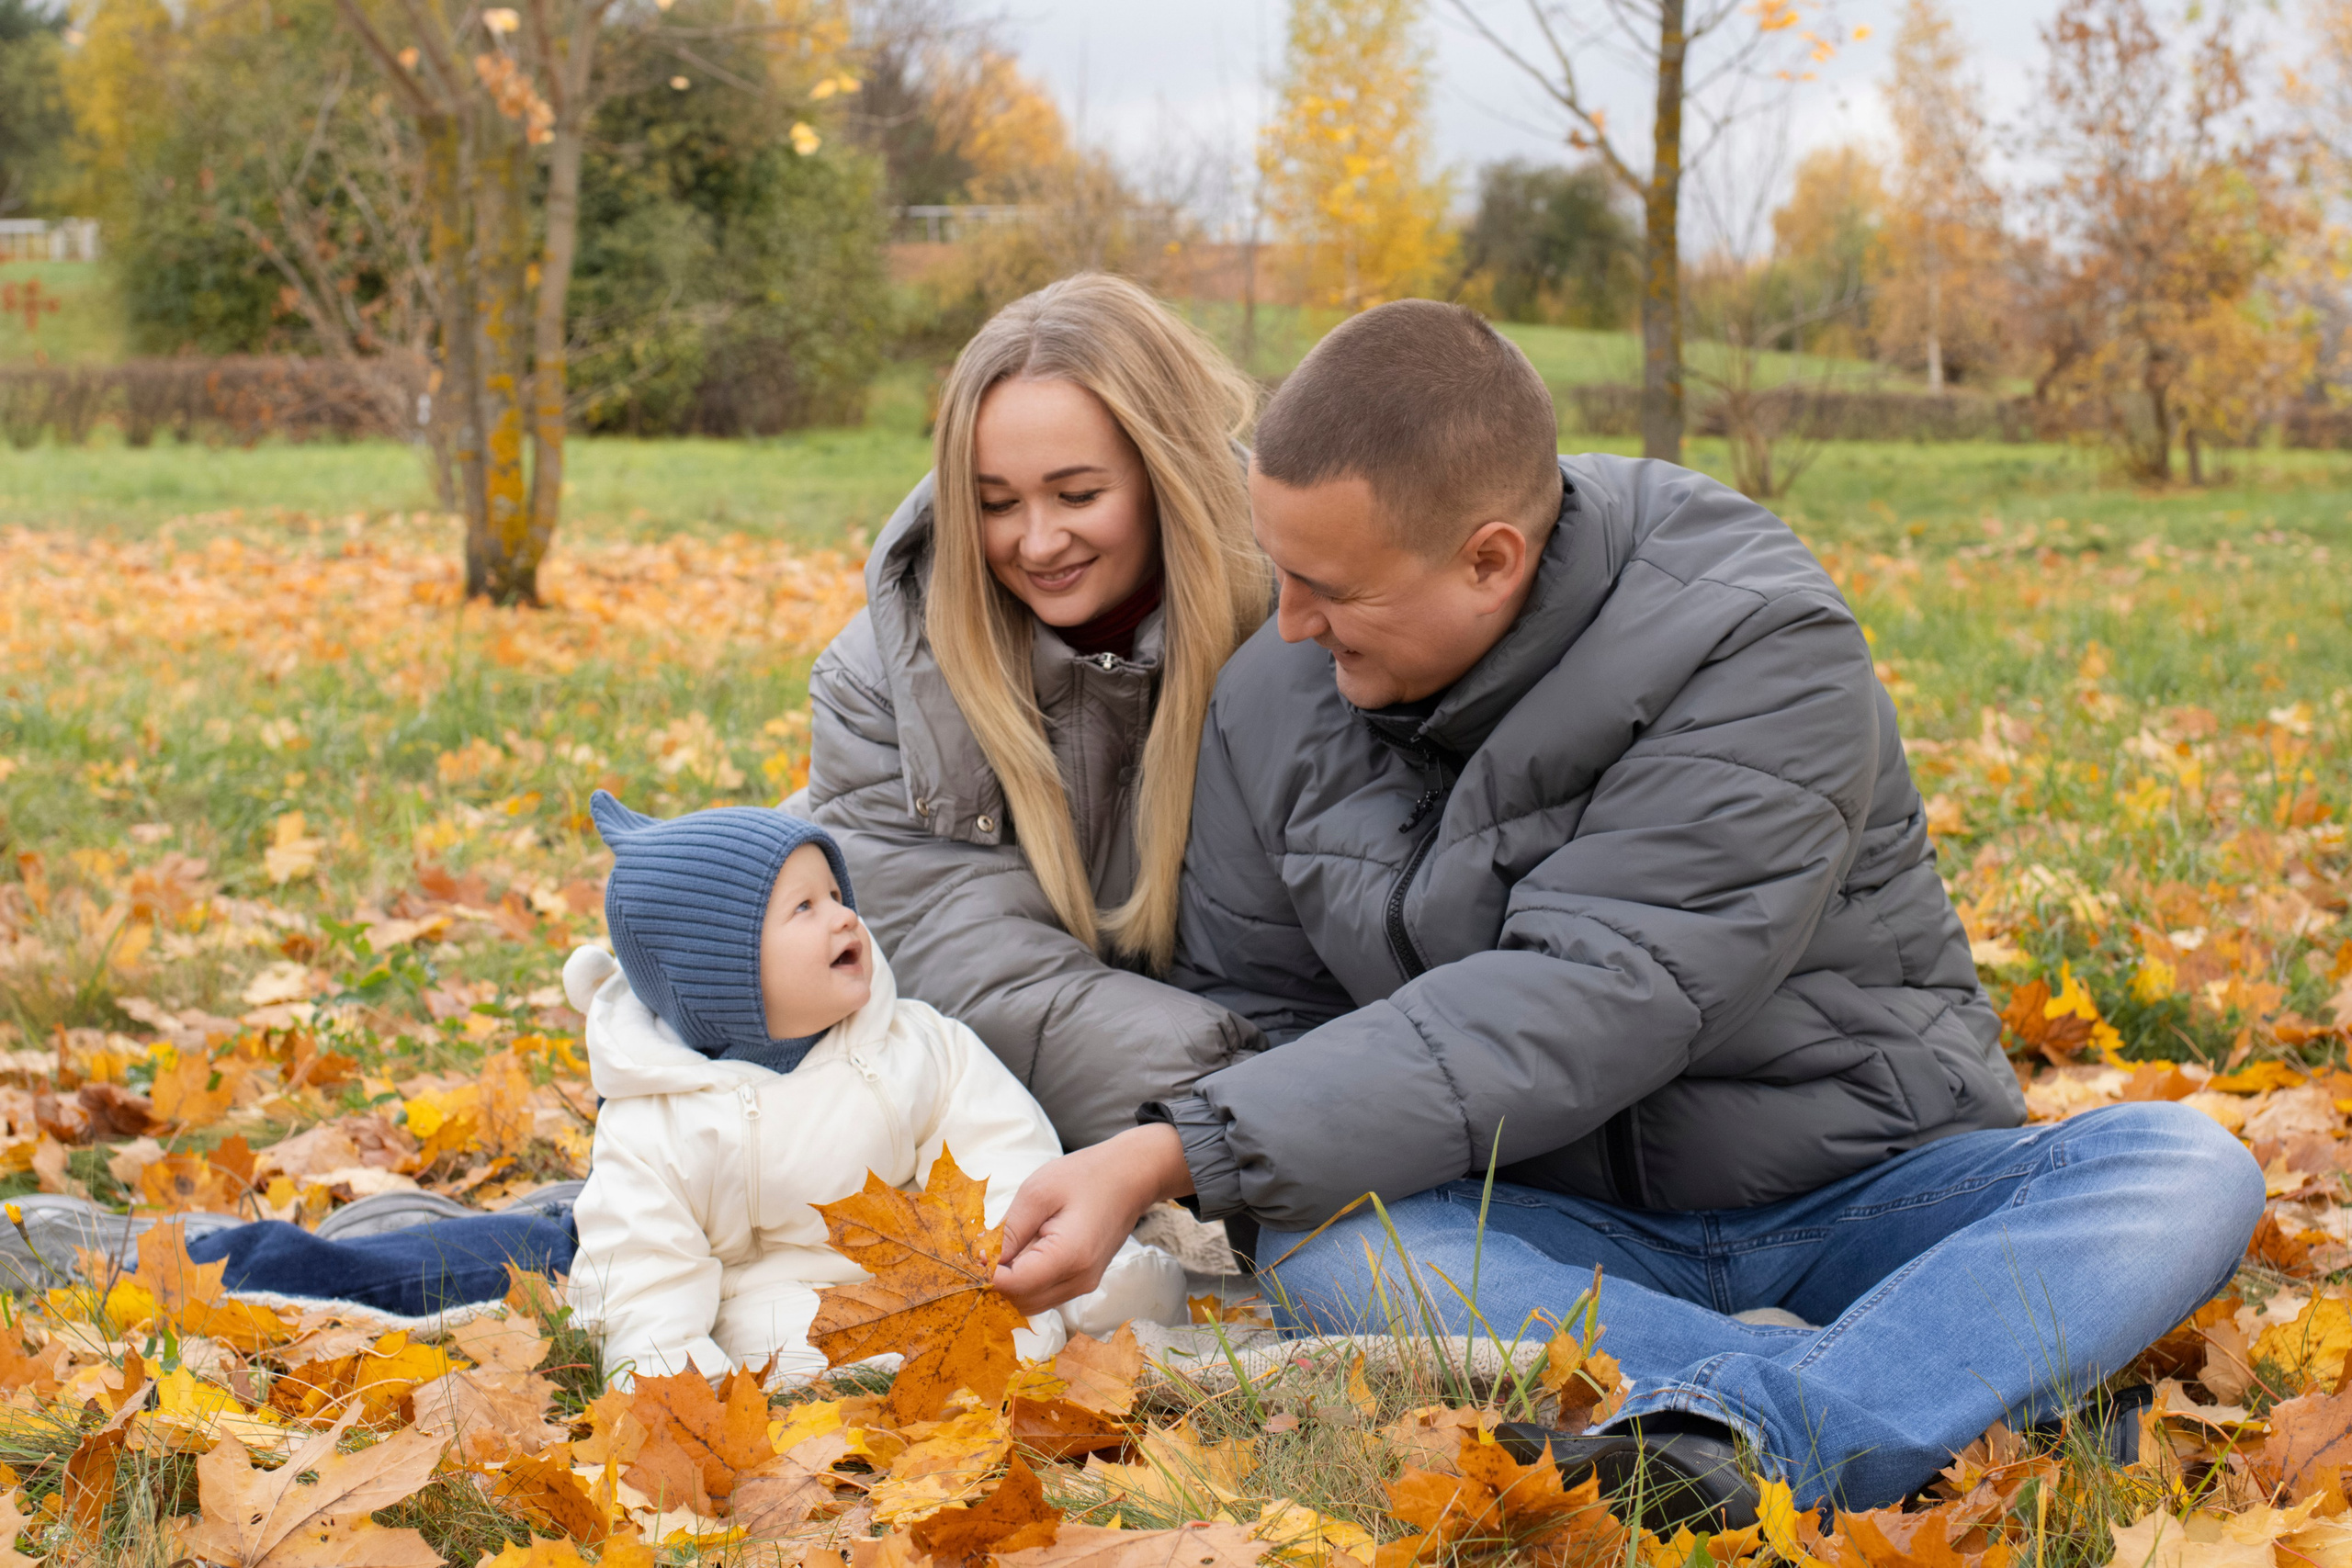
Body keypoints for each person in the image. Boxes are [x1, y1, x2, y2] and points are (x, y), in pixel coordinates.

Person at [986, 300, 2264, 1515]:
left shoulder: (1757, 638)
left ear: (1492, 557)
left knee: (2177, 1166)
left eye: (1334, 586)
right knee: (1335, 1253)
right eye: (1282, 567)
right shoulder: (1276, 694)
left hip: (1856, 1190)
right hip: (1551, 1225)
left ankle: (1751, 1415)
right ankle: (1899, 1397)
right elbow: (1268, 1013)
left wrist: (1174, 1145)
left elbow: (1593, 995)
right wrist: (1231, 1146)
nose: (1291, 621)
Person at [801, 274, 1271, 1152]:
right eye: (996, 503)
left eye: (1079, 495)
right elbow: (962, 977)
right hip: (1117, 1097)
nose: (1039, 542)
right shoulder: (884, 677)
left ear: (1167, 472)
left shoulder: (1298, 618)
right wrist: (1264, 1103)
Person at [560, 792, 1186, 1386]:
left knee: (1024, 1315)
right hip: (780, 1305)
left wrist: (1020, 1247)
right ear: (717, 970)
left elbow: (999, 1145)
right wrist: (670, 1376)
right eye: (804, 907)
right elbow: (641, 1269)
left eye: (836, 894)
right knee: (784, 1345)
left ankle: (1099, 1295)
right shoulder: (657, 1122)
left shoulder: (911, 1043)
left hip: (948, 1274)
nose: (845, 916)